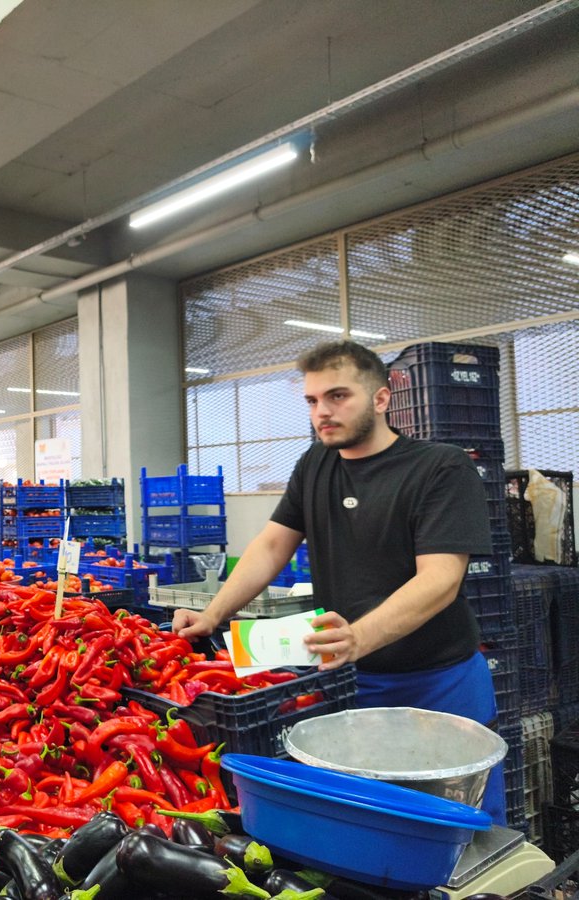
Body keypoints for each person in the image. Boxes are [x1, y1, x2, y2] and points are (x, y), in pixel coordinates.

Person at [173, 339, 505, 823]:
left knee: (459, 832)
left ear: (381, 398)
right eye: (311, 401)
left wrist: (359, 638)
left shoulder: (440, 468)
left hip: (438, 686)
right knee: (369, 827)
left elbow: (440, 580)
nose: (322, 412)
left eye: (337, 396)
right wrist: (213, 613)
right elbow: (271, 546)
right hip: (350, 686)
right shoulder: (315, 465)